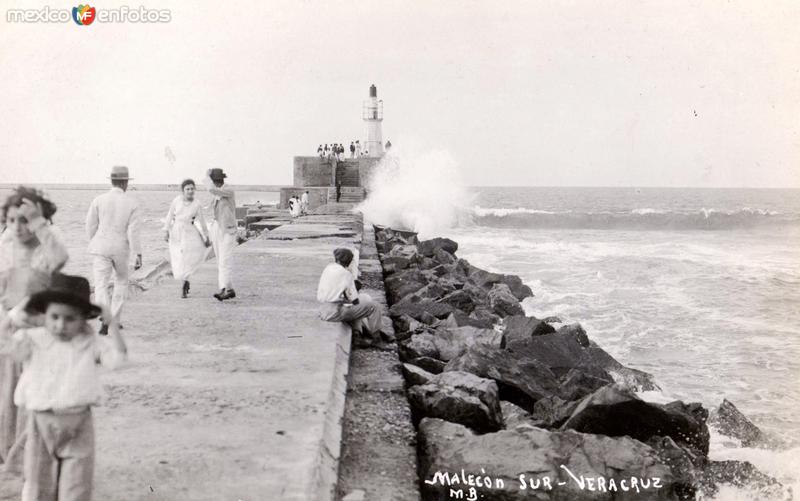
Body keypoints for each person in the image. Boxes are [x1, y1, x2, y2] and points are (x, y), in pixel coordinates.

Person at [0, 273, 127, 501]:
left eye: (70, 319)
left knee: (77, 484)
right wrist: (20, 308)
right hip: (41, 420)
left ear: (84, 319)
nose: (61, 325)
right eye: (55, 317)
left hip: (78, 422)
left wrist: (111, 322)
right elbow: (5, 344)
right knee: (39, 480)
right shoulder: (32, 339)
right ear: (44, 316)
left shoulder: (90, 343)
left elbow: (117, 359)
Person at [0, 187, 68, 468]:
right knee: (6, 396)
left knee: (33, 397)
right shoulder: (4, 249)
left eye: (25, 220)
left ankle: (27, 457)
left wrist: (38, 222)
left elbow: (59, 258)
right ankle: (7, 455)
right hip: (6, 334)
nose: (17, 227)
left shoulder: (45, 249)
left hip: (38, 335)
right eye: (12, 220)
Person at [85, 165, 141, 334]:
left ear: (111, 181)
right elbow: (133, 231)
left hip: (101, 246)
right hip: (121, 248)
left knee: (100, 284)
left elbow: (90, 225)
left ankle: (105, 313)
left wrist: (95, 241)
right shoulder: (132, 203)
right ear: (125, 183)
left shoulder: (98, 199)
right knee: (122, 282)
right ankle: (114, 318)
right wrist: (138, 253)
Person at [317, 248, 382, 338]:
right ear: (349, 262)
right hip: (334, 313)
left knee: (358, 304)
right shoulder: (346, 274)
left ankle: (357, 333)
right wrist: (355, 289)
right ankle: (376, 337)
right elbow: (354, 300)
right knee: (374, 306)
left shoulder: (328, 268)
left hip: (323, 309)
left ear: (337, 259)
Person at [163, 179, 211, 298]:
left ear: (194, 190)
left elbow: (202, 221)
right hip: (176, 231)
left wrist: (206, 236)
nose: (190, 191)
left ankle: (185, 282)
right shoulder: (177, 200)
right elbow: (169, 215)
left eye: (192, 189)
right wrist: (166, 231)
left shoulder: (197, 204)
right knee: (179, 257)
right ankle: (185, 280)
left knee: (189, 257)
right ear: (183, 191)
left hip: (190, 231)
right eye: (187, 189)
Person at [207, 168, 237, 301]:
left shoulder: (228, 190)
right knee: (221, 260)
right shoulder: (217, 193)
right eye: (215, 181)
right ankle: (227, 289)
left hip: (228, 229)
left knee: (225, 260)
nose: (217, 183)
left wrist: (206, 178)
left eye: (217, 181)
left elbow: (212, 190)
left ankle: (225, 289)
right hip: (217, 228)